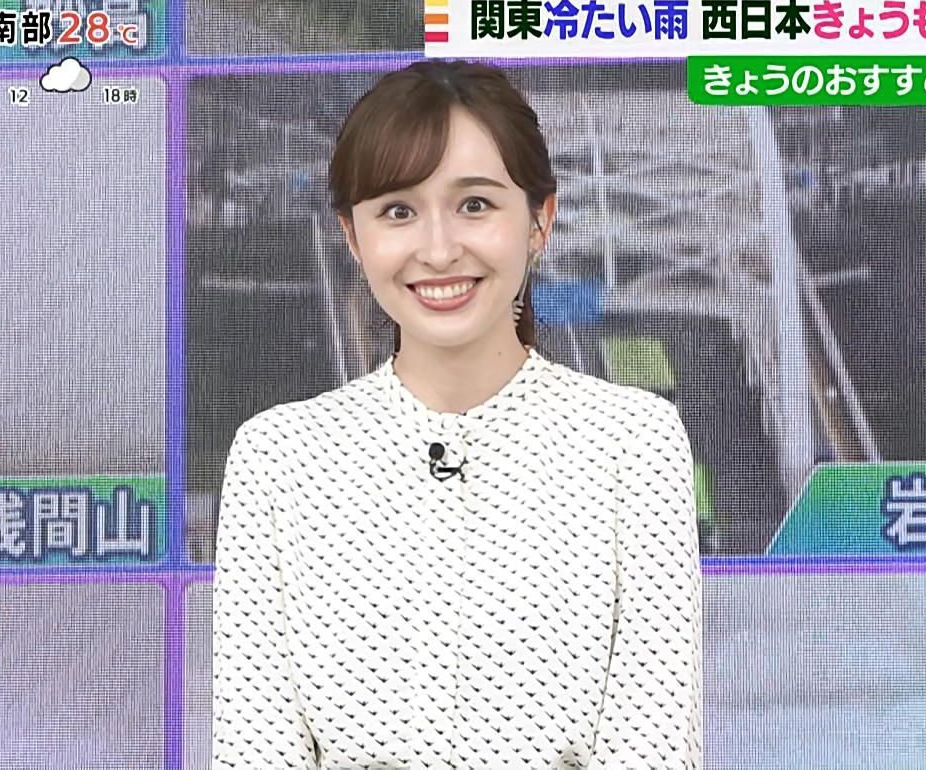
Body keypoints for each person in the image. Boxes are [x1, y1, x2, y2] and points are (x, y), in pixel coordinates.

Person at [210, 59, 702, 769]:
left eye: (475, 204)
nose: (439, 250)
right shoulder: (279, 457)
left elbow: (653, 746)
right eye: (398, 212)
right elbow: (256, 747)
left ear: (539, 220)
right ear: (353, 237)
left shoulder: (633, 441)